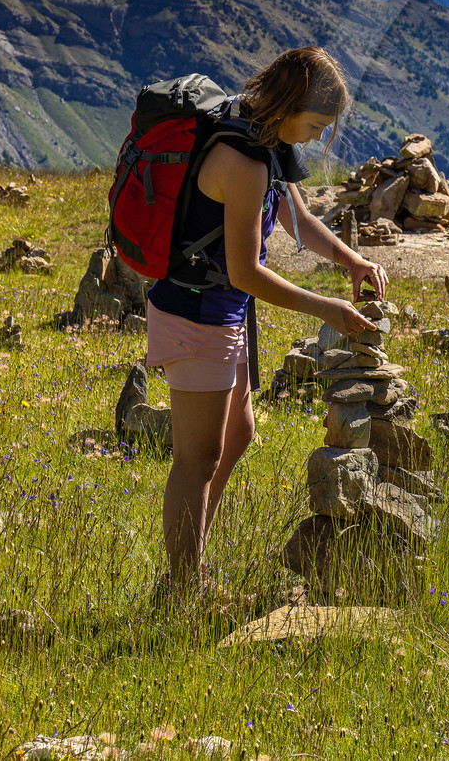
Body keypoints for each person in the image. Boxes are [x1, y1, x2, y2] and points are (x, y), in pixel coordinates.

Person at [144, 46, 389, 599]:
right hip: (194, 312)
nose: (314, 136)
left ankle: (188, 568)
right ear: (291, 105)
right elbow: (246, 271)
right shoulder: (245, 162)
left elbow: (296, 218)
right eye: (316, 124)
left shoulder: (266, 141)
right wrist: (328, 309)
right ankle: (182, 590)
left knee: (239, 433)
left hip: (222, 309)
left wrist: (350, 260)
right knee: (197, 458)